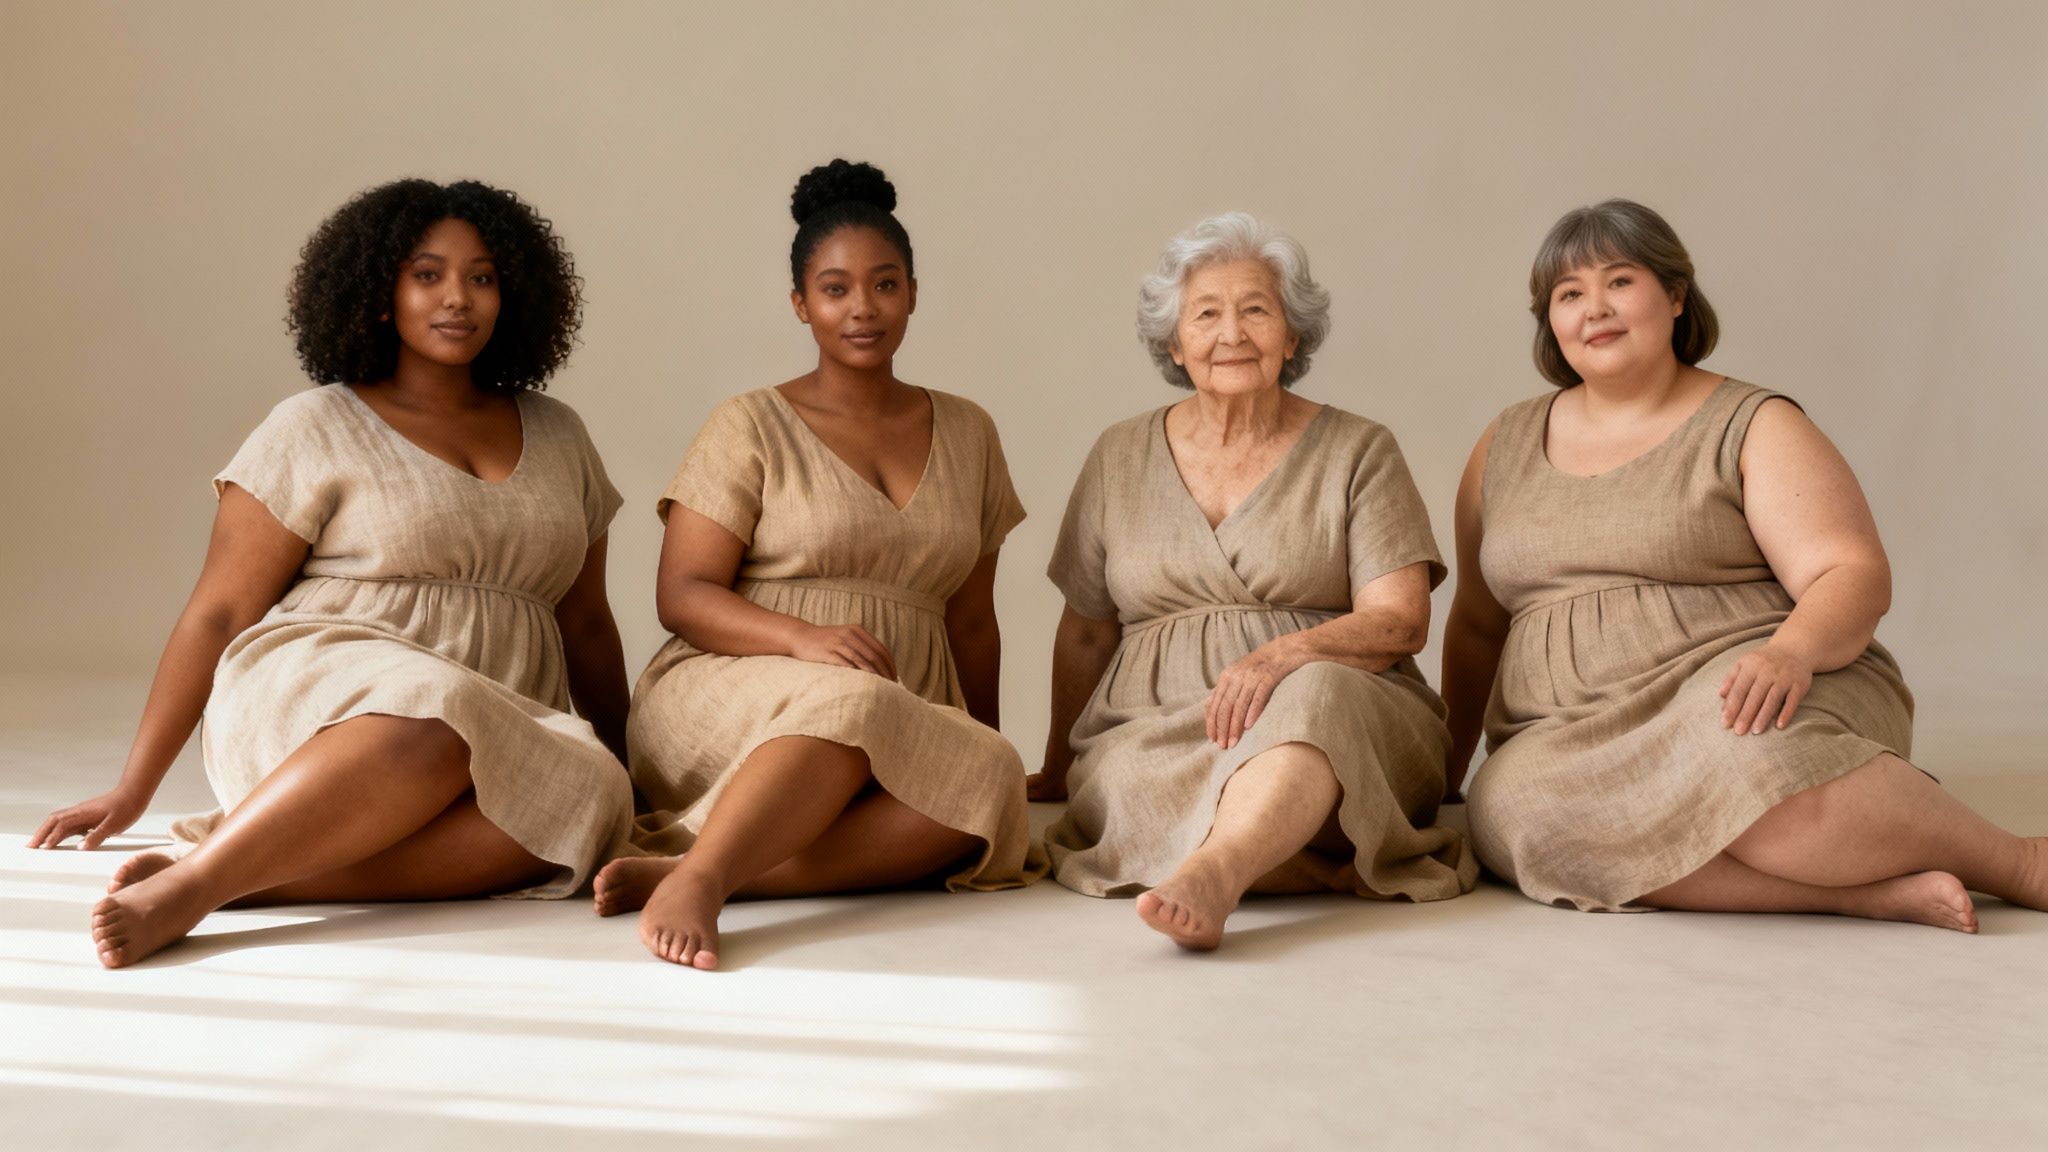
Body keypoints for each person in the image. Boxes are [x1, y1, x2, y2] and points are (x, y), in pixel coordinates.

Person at [30, 179, 636, 967]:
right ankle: (196, 889)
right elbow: (217, 611)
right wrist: (131, 789)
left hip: (501, 704)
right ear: (378, 292)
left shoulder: (560, 435)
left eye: (482, 277)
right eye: (428, 274)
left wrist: (628, 767)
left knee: (593, 805)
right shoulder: (315, 423)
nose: (459, 298)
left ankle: (247, 879)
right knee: (435, 704)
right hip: (324, 690)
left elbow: (584, 621)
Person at [1442, 198, 2046, 929]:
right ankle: (1858, 895)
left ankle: (2016, 862)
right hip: (1568, 729)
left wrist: (1789, 653)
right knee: (1512, 813)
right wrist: (1446, 774)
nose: (1594, 308)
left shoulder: (1753, 422)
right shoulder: (1502, 445)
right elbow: (1478, 624)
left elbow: (1851, 573)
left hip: (1748, 685)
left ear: (1674, 296)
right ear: (1551, 325)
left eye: (1619, 281)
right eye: (1569, 295)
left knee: (1742, 765)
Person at [596, 160, 1044, 969]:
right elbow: (681, 593)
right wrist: (802, 639)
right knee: (850, 699)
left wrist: (979, 746)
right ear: (801, 304)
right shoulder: (749, 422)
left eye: (884, 284)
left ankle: (712, 872)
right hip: (733, 680)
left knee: (990, 784)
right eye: (835, 289)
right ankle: (705, 882)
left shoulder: (971, 431)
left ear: (914, 292)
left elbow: (973, 618)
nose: (862, 308)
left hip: (901, 694)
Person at [1032, 211, 1476, 951]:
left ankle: (1217, 869)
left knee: (1315, 701)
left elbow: (1401, 620)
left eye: (1256, 310)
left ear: (1292, 336)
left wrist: (1281, 660)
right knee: (1123, 786)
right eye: (1206, 314)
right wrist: (1053, 768)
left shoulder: (1360, 447)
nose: (1231, 333)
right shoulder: (1117, 455)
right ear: (1174, 343)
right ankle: (1305, 861)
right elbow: (1085, 626)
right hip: (1159, 723)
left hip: (1344, 711)